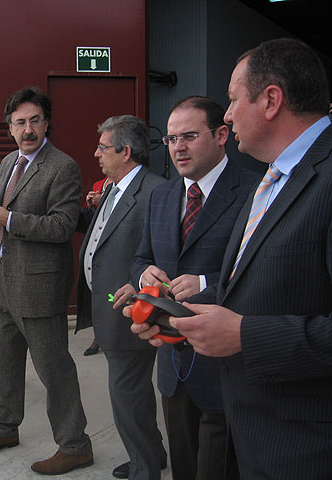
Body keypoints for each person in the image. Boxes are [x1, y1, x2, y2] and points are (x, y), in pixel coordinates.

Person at [130, 38, 332, 478]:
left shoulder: (307, 179)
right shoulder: (277, 179)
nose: (228, 112)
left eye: (234, 99)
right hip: (248, 415)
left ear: (272, 100)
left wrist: (244, 335)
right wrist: (166, 314)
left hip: (302, 443)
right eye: (172, 138)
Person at [130, 96, 260, 480]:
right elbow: (141, 258)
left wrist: (205, 284)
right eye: (170, 139)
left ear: (222, 135)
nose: (178, 147)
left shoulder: (255, 192)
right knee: (184, 466)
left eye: (189, 136)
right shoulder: (163, 195)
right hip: (172, 359)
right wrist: (143, 276)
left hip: (226, 364)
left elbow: (263, 274)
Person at [0, 86, 93, 475]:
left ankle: (75, 445)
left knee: (54, 369)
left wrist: (8, 219)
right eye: (20, 122)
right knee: (2, 363)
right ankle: (5, 428)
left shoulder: (62, 166)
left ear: (46, 122)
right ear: (9, 128)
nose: (28, 129)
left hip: (39, 287)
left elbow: (61, 226)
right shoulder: (6, 164)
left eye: (35, 120)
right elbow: (4, 212)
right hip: (2, 279)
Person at [75, 116, 167, 480]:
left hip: (131, 311)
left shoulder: (155, 191)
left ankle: (145, 469)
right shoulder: (113, 188)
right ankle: (153, 454)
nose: (96, 154)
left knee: (127, 396)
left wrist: (143, 291)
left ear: (126, 152)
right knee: (133, 395)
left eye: (103, 147)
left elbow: (163, 254)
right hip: (108, 308)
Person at [82, 176, 110, 357]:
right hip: (96, 244)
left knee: (111, 296)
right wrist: (90, 203)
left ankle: (107, 336)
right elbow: (90, 219)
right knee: (96, 295)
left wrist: (103, 200)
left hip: (112, 245)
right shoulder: (99, 183)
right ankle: (98, 336)